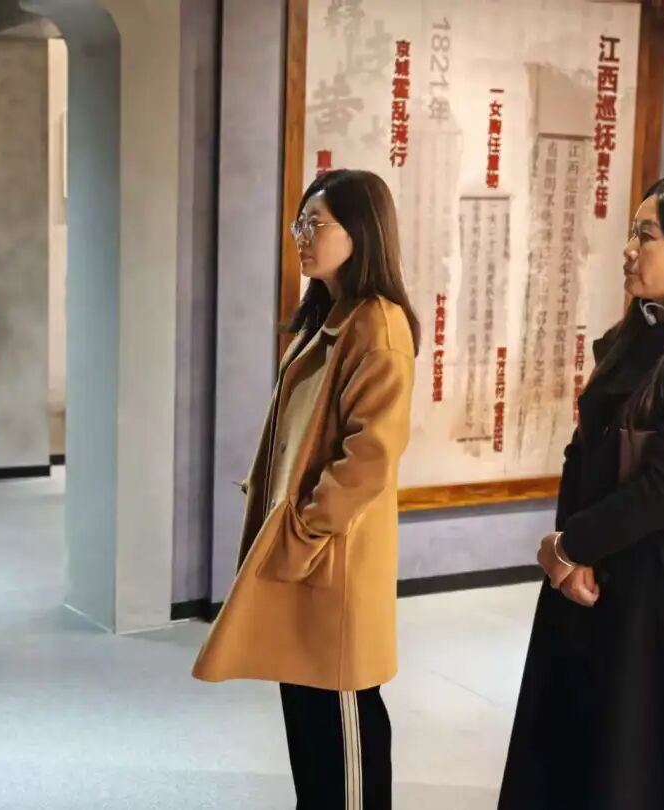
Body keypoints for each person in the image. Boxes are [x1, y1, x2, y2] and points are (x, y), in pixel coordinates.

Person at [499, 171, 664, 810]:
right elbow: (584, 452)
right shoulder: (639, 335)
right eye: (632, 232)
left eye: (646, 236)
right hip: (602, 584)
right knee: (584, 768)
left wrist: (571, 546)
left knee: (649, 775)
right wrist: (572, 556)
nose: (629, 249)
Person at [192, 168, 419, 809]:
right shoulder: (327, 314)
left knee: (343, 726)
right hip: (309, 554)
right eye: (300, 223)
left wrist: (307, 528)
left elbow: (369, 457)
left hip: (333, 560)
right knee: (310, 724)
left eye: (317, 223)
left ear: (362, 232)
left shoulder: (378, 325)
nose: (302, 236)